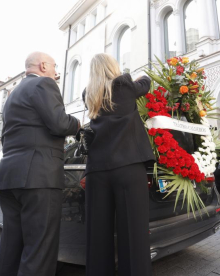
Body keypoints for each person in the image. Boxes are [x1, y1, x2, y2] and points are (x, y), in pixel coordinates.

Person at [0, 52, 80, 276]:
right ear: (43, 65)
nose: (55, 72)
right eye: (54, 66)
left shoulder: (13, 95)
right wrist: (77, 124)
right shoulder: (44, 84)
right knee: (39, 250)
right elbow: (59, 123)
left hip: (8, 177)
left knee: (11, 246)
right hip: (38, 177)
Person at [83, 53, 154, 276]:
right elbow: (146, 83)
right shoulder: (123, 84)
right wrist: (143, 75)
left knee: (98, 234)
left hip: (97, 171)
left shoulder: (89, 94)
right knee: (133, 234)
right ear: (113, 67)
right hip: (128, 167)